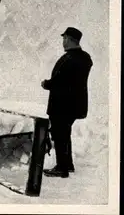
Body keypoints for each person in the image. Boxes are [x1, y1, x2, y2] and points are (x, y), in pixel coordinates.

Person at [41, 27, 93, 178]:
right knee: (65, 133)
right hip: (76, 104)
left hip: (62, 104)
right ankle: (67, 164)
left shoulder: (69, 59)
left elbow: (59, 80)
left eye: (64, 39)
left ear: (70, 40)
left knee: (59, 134)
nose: (63, 42)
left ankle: (62, 168)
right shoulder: (85, 58)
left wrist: (46, 84)